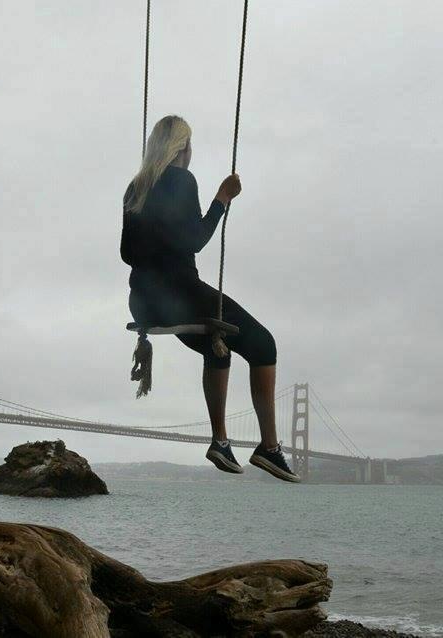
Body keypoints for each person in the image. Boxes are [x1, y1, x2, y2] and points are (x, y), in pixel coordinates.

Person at [121, 114, 299, 483]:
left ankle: (220, 442)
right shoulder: (182, 180)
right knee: (264, 344)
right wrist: (223, 198)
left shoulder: (134, 189)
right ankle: (269, 447)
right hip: (181, 295)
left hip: (143, 301)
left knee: (216, 349)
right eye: (189, 146)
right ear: (182, 148)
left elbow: (126, 253)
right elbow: (196, 240)